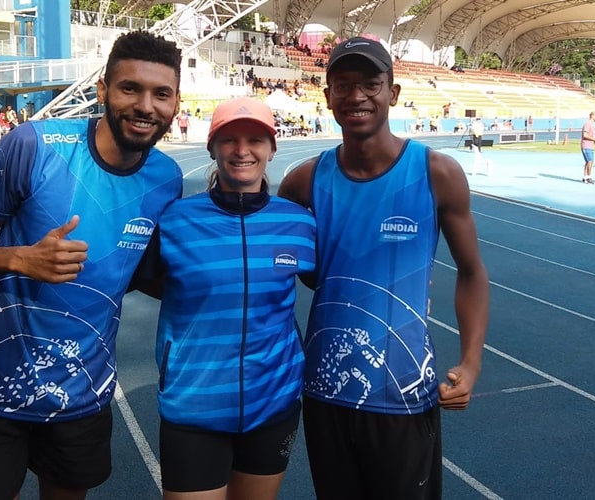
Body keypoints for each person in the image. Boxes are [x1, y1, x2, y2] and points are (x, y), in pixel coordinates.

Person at [0, 30, 184, 500]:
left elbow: (136, 274)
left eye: (161, 94)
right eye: (130, 88)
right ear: (103, 90)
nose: (146, 105)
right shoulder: (34, 145)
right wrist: (19, 259)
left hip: (80, 390)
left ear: (175, 103)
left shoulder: (166, 179)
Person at [277, 36, 490, 500]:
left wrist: (471, 364)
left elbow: (472, 272)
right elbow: (283, 262)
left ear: (392, 93)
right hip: (325, 391)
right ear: (327, 94)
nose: (357, 96)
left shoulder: (437, 173)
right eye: (343, 85)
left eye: (371, 83)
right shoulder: (304, 182)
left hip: (404, 391)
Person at [132, 97, 316, 499]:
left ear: (272, 148)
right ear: (212, 147)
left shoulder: (298, 222)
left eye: (255, 139)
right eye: (229, 139)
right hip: (194, 404)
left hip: (275, 403)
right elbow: (122, 277)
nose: (242, 151)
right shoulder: (176, 220)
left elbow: (330, 282)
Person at [580, 111, 595, 183]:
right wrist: (594, 139)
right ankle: (588, 177)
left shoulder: (592, 125)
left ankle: (585, 177)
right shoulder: (588, 124)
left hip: (591, 146)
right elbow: (585, 135)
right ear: (592, 116)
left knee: (588, 162)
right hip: (586, 145)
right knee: (590, 161)